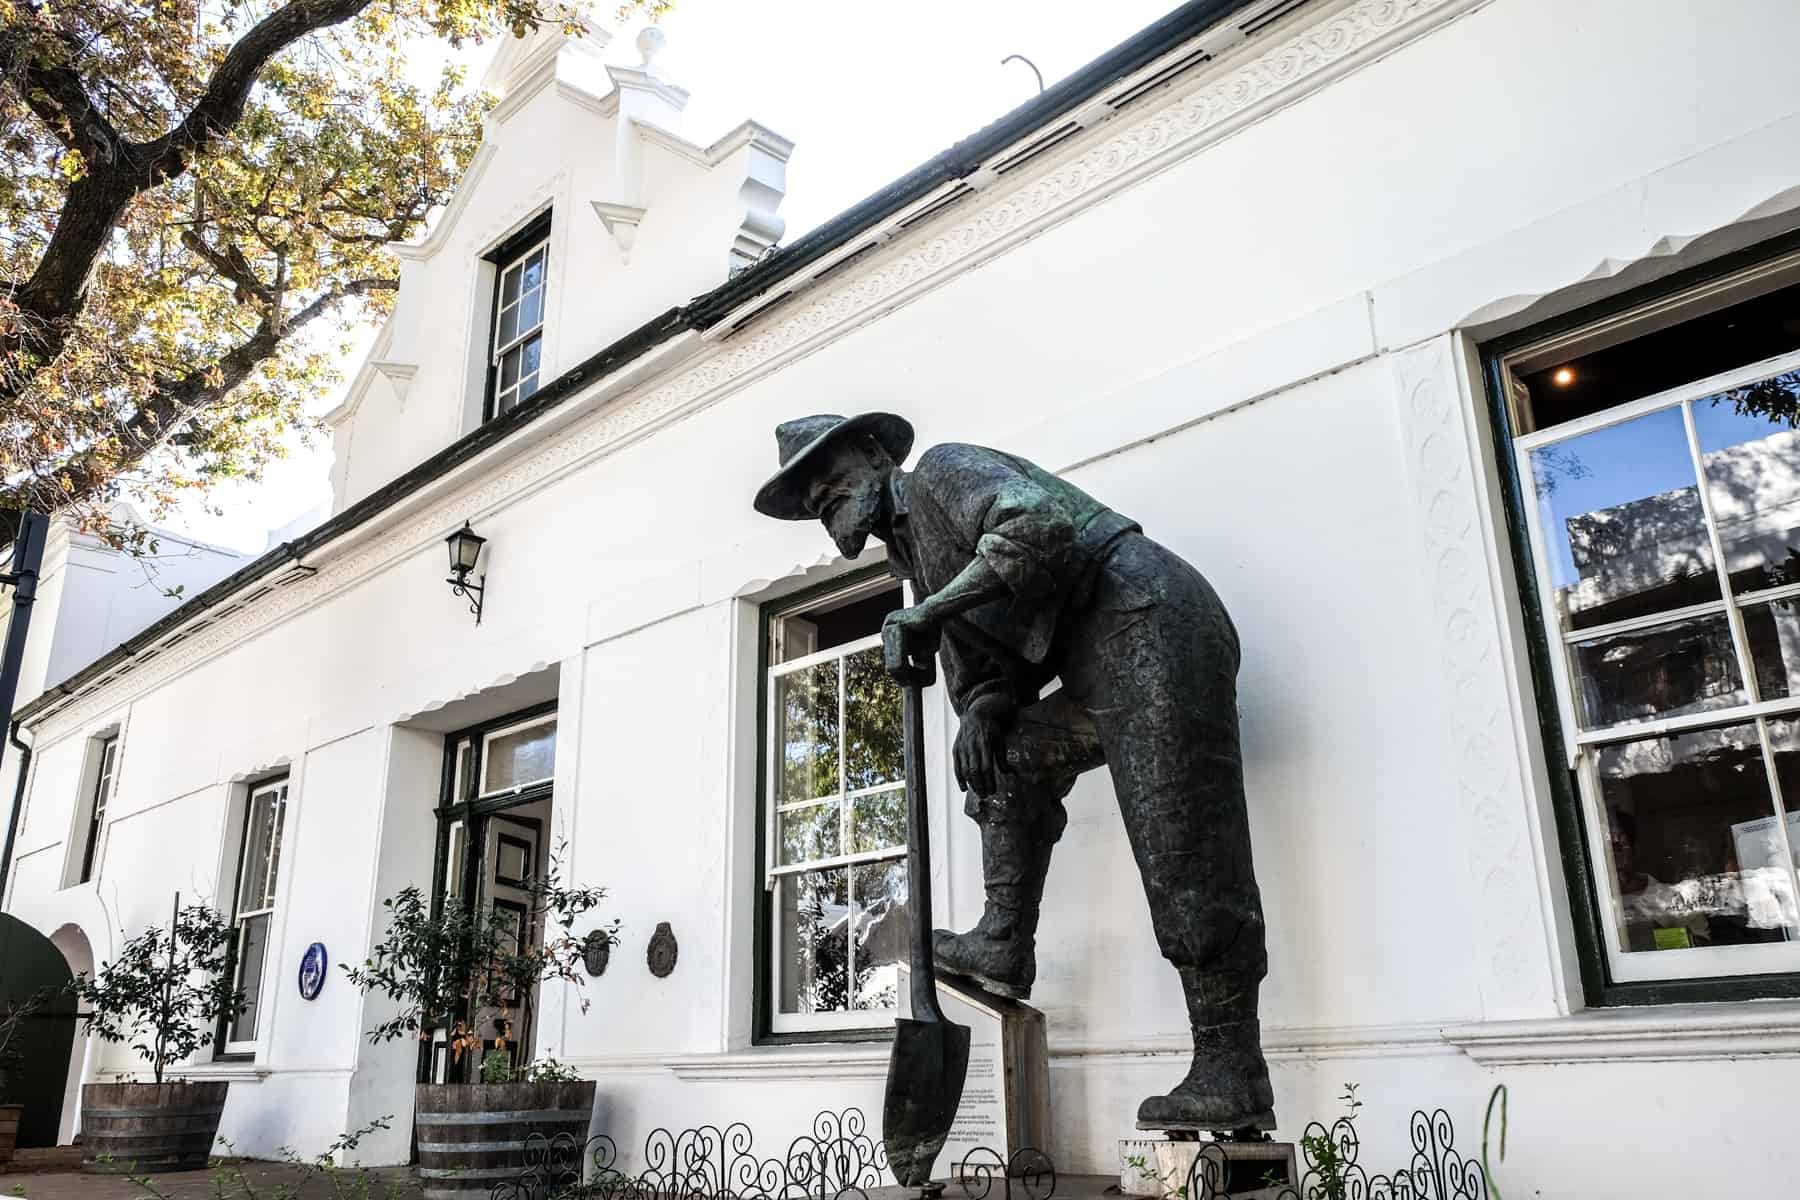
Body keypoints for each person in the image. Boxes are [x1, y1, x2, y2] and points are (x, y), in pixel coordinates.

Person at [753, 412, 1273, 1132]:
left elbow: (1037, 530)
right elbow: (993, 669)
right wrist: (982, 711)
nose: (821, 498)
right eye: (810, 497)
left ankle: (1231, 1066)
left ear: (874, 453)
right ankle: (1004, 940)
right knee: (1001, 757)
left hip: (1149, 621)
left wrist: (930, 612)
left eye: (829, 476)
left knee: (1181, 848)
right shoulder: (912, 557)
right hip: (1093, 664)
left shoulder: (941, 472)